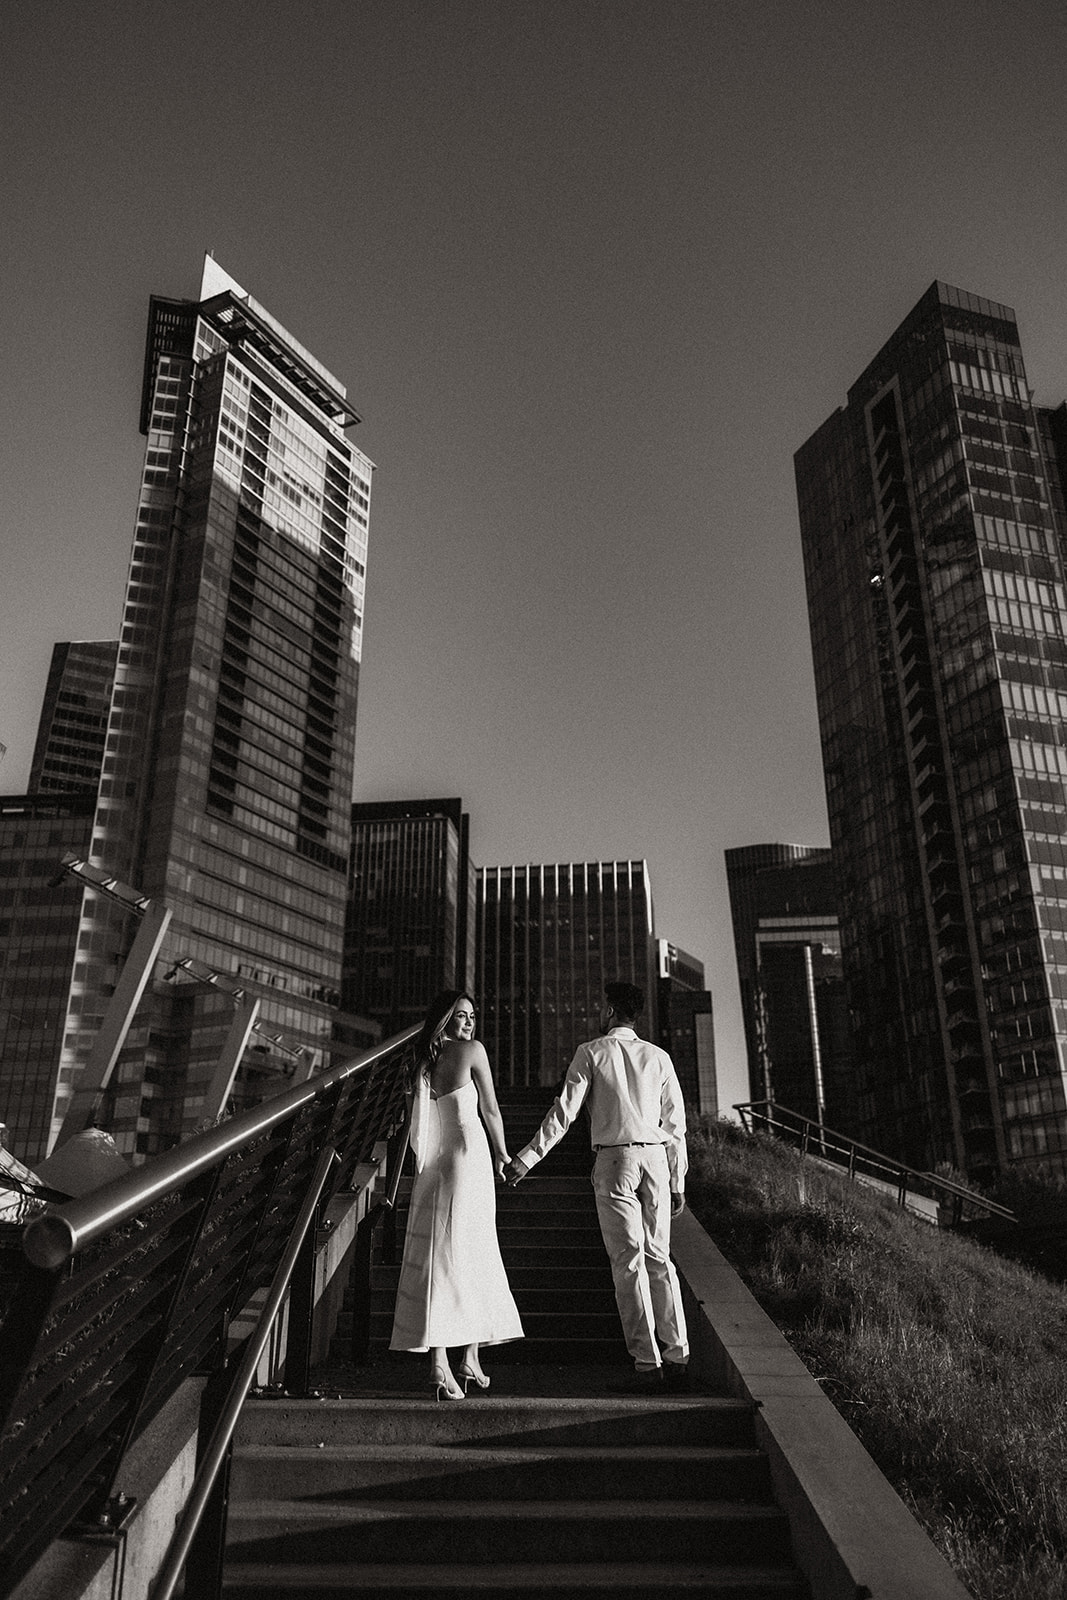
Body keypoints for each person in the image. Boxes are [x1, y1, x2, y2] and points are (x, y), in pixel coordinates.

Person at [504, 981, 689, 1394]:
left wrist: (528, 1157)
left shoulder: (591, 1052)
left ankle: (647, 1361)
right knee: (659, 1259)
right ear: (635, 1015)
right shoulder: (659, 1057)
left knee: (628, 1262)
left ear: (609, 1012)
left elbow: (564, 1113)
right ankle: (678, 1354)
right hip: (656, 1158)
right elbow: (675, 1126)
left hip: (615, 1158)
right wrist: (678, 1180)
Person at [390, 990, 523, 1399]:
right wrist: (504, 1154)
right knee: (469, 1253)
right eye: (461, 1016)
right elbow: (492, 1110)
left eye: (472, 1016)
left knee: (445, 1254)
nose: (469, 1022)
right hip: (469, 1155)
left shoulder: (424, 1062)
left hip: (436, 1161)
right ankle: (445, 1362)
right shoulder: (472, 1051)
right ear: (446, 1019)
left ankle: (461, 1358)